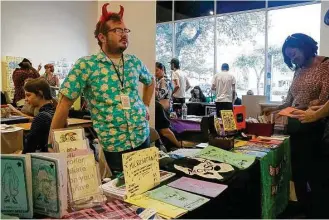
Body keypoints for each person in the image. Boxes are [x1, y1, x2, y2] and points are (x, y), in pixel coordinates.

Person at [50, 3, 155, 173]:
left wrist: (145, 105)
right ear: (102, 37)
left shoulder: (134, 62)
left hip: (141, 136)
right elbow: (64, 103)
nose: (124, 35)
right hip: (113, 145)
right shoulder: (87, 65)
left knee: (147, 187)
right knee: (120, 196)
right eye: (118, 31)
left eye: (125, 30)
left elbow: (150, 82)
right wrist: (53, 142)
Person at [263, 33, 329, 218]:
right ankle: (304, 208)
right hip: (296, 128)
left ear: (305, 46)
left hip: (316, 128)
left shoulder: (325, 66)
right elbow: (289, 101)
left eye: (294, 53)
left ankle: (319, 212)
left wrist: (307, 108)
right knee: (298, 172)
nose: (293, 59)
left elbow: (323, 102)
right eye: (289, 56)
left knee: (316, 175)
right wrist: (272, 110)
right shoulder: (298, 70)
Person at [22, 78, 56, 153]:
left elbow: (29, 149)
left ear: (40, 93)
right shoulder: (55, 112)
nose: (26, 99)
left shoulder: (42, 117)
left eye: (28, 95)